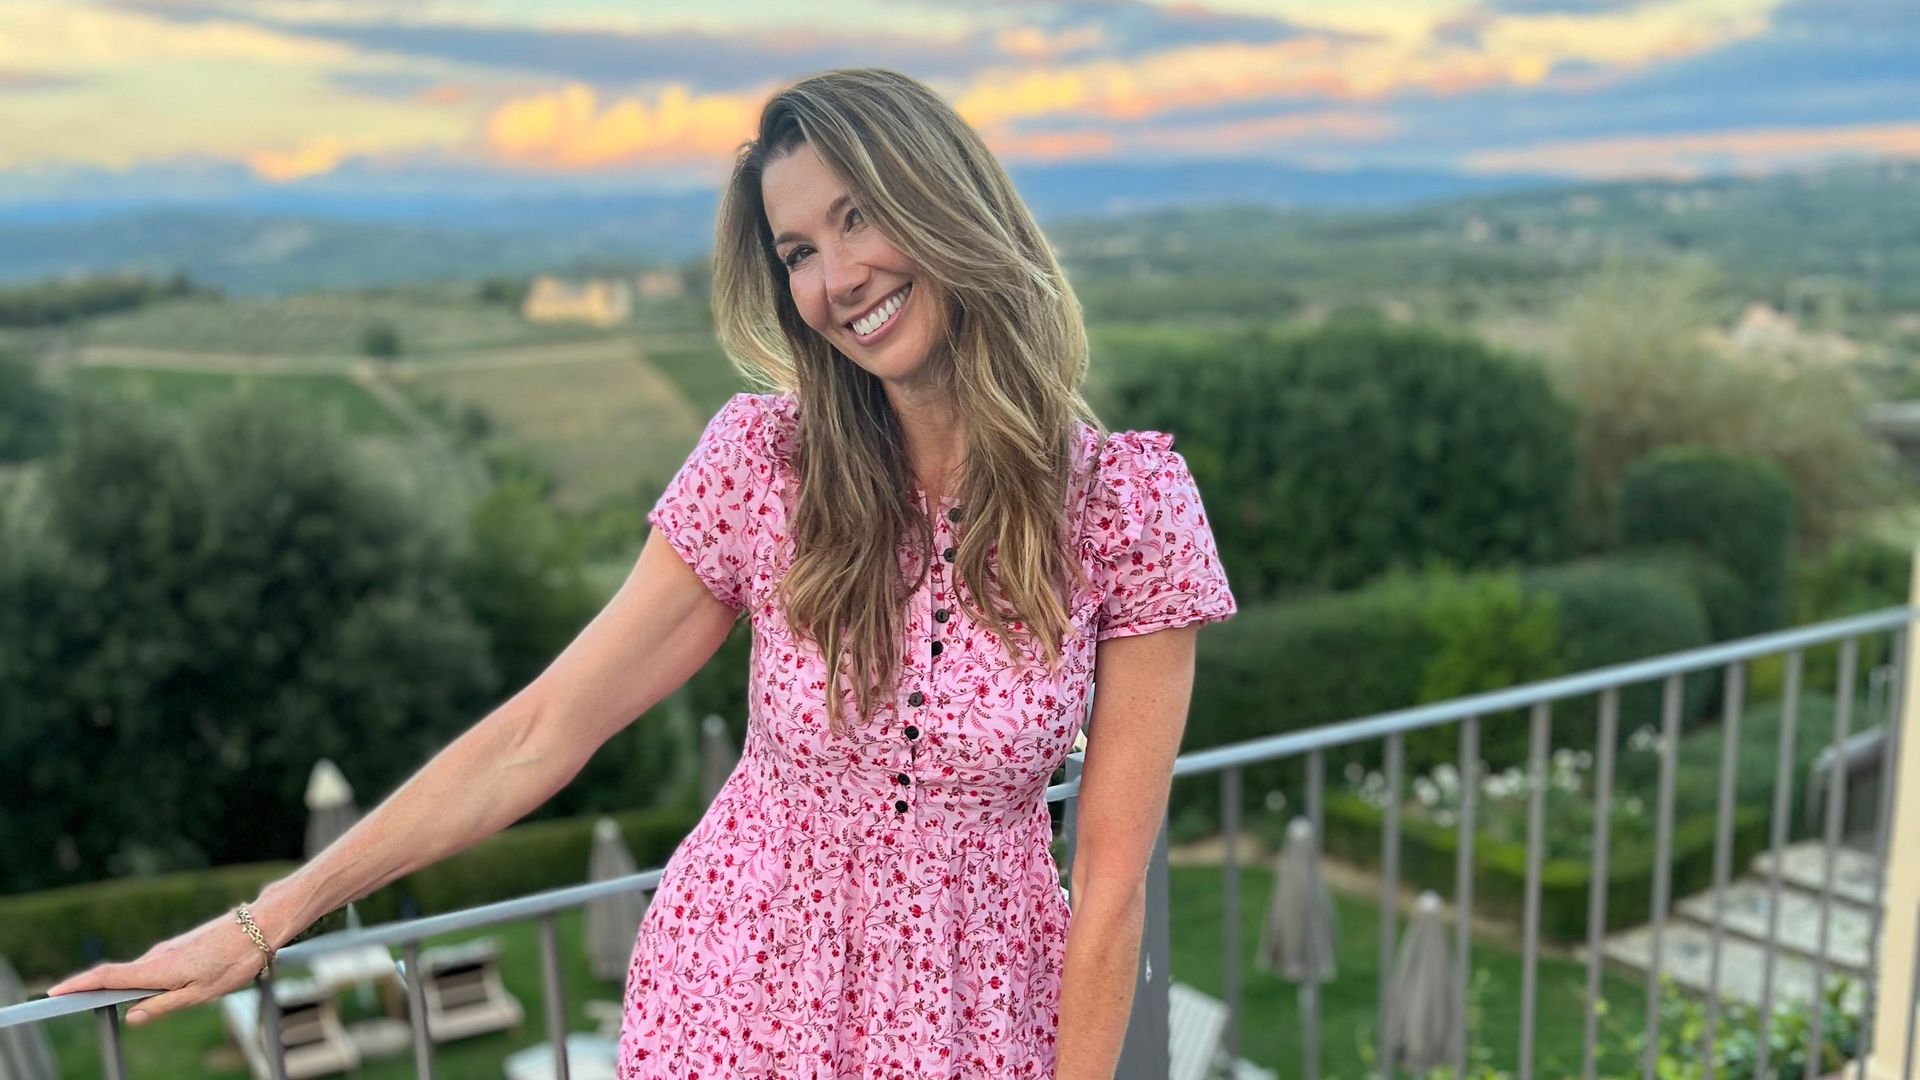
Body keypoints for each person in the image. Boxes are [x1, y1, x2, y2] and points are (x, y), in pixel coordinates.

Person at [49, 68, 1237, 1079]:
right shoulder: (764, 468)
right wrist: (267, 924)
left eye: (859, 217)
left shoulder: (1128, 508)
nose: (836, 279)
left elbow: (1110, 888)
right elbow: (543, 729)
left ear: (948, 204)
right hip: (737, 990)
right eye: (799, 253)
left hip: (980, 1022)